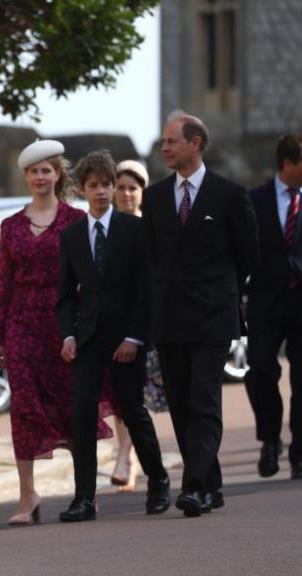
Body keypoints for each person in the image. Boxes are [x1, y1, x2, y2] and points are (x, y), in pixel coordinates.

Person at [140, 111, 258, 517]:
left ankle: (193, 485)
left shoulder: (229, 194)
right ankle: (213, 484)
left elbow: (247, 254)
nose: (165, 148)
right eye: (163, 142)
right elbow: (152, 257)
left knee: (204, 400)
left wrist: (220, 290)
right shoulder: (154, 198)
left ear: (196, 144)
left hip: (212, 316)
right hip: (170, 318)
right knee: (181, 403)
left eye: (172, 141)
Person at [0, 139, 113, 525]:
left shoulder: (76, 221)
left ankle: (84, 493)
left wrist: (89, 327)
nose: (40, 177)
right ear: (26, 177)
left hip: (66, 326)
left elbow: (89, 279)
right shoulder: (10, 226)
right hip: (22, 326)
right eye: (33, 171)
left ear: (58, 174)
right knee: (24, 409)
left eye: (47, 170)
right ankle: (27, 497)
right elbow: (3, 283)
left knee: (74, 407)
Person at [55, 150, 171, 522]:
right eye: (94, 186)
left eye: (107, 184)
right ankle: (85, 498)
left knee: (133, 412)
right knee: (82, 416)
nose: (103, 191)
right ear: (82, 190)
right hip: (87, 339)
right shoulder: (72, 236)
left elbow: (146, 289)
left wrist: (135, 338)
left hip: (126, 339)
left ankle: (159, 482)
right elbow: (64, 296)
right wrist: (68, 336)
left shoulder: (134, 229)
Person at [244, 133, 302, 480]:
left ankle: (299, 452)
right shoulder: (254, 200)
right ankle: (269, 439)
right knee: (261, 372)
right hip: (265, 302)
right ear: (289, 164)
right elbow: (243, 250)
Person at [109, 159, 168, 492]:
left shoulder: (152, 227)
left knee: (144, 397)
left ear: (143, 192)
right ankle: (126, 455)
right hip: (119, 324)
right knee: (126, 398)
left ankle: (133, 456)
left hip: (151, 325)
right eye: (121, 187)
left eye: (133, 188)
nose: (126, 194)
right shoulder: (107, 229)